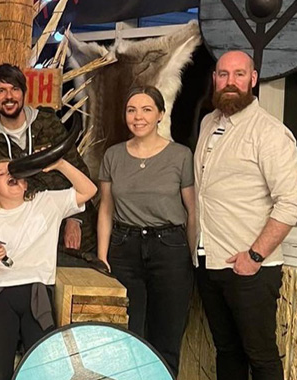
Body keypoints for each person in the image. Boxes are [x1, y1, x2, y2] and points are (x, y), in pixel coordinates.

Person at [194, 50, 297, 380]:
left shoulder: (269, 133)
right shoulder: (208, 123)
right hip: (210, 261)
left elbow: (292, 202)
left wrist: (255, 255)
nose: (230, 82)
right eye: (223, 74)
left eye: (239, 75)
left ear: (253, 80)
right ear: (214, 79)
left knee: (260, 356)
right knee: (227, 351)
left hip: (250, 269)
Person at [0, 157, 97, 380]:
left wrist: (60, 164)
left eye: (15, 171)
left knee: (41, 371)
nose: (11, 175)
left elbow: (89, 190)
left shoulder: (46, 202)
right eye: (2, 174)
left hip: (36, 294)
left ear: (25, 182)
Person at [97, 86, 195, 375]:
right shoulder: (113, 156)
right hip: (124, 247)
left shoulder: (180, 155)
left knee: (166, 336)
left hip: (169, 248)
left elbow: (192, 210)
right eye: (131, 110)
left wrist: (190, 257)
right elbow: (106, 208)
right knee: (127, 333)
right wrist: (103, 257)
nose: (138, 117)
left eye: (146, 109)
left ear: (161, 114)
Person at [0, 63, 98, 267]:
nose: (9, 96)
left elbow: (79, 170)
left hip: (69, 228)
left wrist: (76, 219)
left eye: (15, 89)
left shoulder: (48, 123)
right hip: (27, 237)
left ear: (24, 93)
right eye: (1, 91)